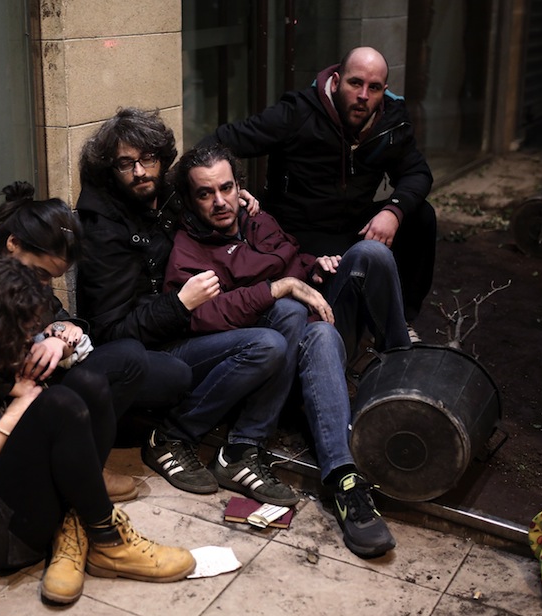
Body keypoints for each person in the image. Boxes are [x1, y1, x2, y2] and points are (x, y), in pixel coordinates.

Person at [0, 256, 196, 605]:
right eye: (17, 341)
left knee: (92, 381)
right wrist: (15, 411)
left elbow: (81, 351)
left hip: (29, 493)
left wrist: (60, 339)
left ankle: (76, 527)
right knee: (57, 402)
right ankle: (106, 537)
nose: (23, 348)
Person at [165, 143, 397, 557]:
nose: (220, 201)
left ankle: (401, 378)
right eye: (205, 193)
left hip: (308, 325)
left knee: (370, 254)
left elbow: (289, 258)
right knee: (302, 320)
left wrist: (312, 267)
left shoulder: (256, 219)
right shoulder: (188, 250)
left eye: (226, 188)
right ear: (189, 199)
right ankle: (341, 480)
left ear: (239, 186)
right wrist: (279, 289)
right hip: (266, 358)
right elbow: (202, 317)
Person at [0, 182, 189, 502]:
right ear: (13, 242)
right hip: (3, 396)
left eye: (51, 278)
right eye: (41, 274)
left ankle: (86, 467)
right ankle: (84, 476)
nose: (44, 285)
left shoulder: (22, 267)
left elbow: (57, 314)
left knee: (166, 371)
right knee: (118, 367)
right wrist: (6, 384)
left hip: (40, 371)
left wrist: (63, 332)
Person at [76, 107, 298, 507]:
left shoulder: (168, 195)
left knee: (287, 313)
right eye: (126, 164)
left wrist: (236, 201)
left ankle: (244, 447)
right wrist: (178, 304)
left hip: (191, 324)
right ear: (111, 169)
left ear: (163, 159)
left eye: (148, 158)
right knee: (265, 345)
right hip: (151, 349)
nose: (140, 171)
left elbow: (209, 193)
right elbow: (110, 333)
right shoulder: (104, 232)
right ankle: (171, 438)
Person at [202, 46, 436, 327]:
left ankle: (401, 323)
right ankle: (346, 333)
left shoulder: (390, 123)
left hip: (355, 224)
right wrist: (230, 189)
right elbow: (220, 142)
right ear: (336, 82)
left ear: (383, 91)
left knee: (420, 216)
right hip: (301, 230)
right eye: (355, 83)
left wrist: (392, 212)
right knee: (334, 286)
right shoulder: (297, 113)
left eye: (373, 88)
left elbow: (417, 173)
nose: (363, 95)